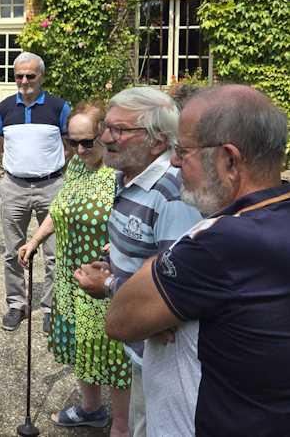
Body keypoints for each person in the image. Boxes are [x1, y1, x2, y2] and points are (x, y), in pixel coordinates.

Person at [106, 85, 290, 437]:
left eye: (183, 151)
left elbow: (120, 320)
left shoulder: (218, 244)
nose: (174, 162)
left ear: (229, 160)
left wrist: (155, 263)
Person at [73, 86, 201, 437]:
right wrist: (115, 264)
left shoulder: (172, 194)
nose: (105, 138)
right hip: (144, 344)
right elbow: (149, 258)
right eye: (106, 127)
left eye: (119, 130)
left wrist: (109, 285)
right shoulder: (127, 176)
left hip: (167, 353)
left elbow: (176, 292)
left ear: (158, 141)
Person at [18, 102, 130, 435]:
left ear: (104, 135)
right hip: (70, 277)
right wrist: (34, 240)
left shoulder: (121, 174)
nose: (79, 149)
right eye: (72, 141)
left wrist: (120, 246)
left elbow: (135, 221)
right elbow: (58, 208)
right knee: (82, 344)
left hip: (104, 279)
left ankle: (122, 427)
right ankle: (90, 409)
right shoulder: (77, 168)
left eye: (87, 142)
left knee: (113, 353)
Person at [0, 52, 70, 332]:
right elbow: (1, 147)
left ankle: (51, 307)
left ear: (42, 77)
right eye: (19, 76)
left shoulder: (59, 107)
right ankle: (16, 304)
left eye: (30, 75)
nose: (24, 81)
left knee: (54, 253)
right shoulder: (3, 108)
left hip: (51, 186)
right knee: (12, 250)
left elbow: (69, 144)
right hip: (14, 186)